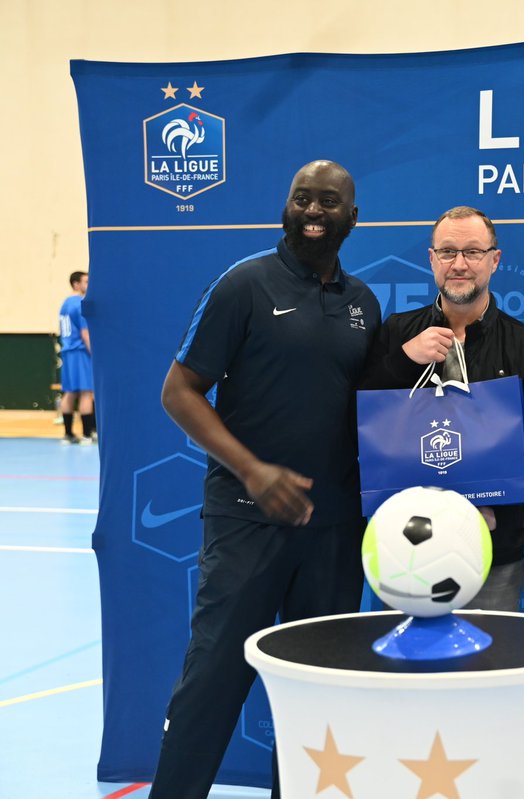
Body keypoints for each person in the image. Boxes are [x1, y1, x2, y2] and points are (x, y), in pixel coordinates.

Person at [150, 160, 381, 799]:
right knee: (213, 680)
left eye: (328, 201)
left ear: (352, 218)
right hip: (247, 521)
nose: (313, 210)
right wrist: (252, 471)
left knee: (317, 692)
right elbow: (179, 391)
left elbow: (372, 411)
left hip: (333, 530)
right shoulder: (245, 285)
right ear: (285, 208)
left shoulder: (364, 304)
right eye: (301, 198)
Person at [359, 206, 524, 611]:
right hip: (405, 548)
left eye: (472, 252)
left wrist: (498, 512)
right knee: (406, 671)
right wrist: (403, 360)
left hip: (492, 550)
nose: (460, 264)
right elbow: (362, 424)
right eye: (448, 252)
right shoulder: (396, 333)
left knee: (489, 669)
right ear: (432, 259)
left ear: (494, 260)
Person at [58, 271, 96, 444]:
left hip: (67, 351)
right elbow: (85, 333)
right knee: (87, 393)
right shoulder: (80, 303)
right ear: (76, 284)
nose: (89, 285)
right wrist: (94, 355)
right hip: (80, 352)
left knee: (69, 393)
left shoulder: (65, 303)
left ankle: (68, 434)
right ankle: (87, 434)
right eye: (86, 282)